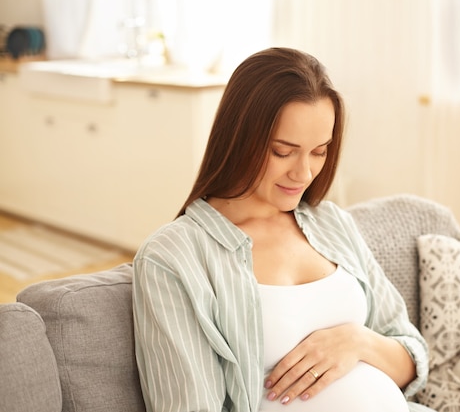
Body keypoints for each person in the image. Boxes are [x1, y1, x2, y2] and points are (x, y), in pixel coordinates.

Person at [132, 47, 431, 412]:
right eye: (283, 151)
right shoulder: (175, 256)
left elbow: (411, 356)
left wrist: (357, 341)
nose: (303, 173)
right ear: (239, 138)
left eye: (319, 151)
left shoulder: (332, 224)